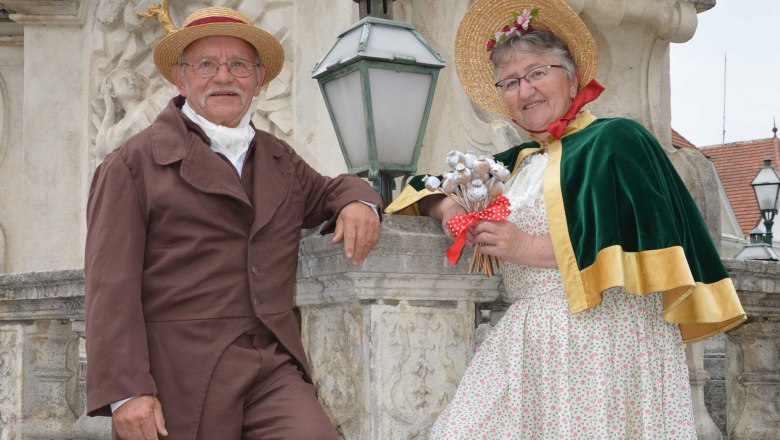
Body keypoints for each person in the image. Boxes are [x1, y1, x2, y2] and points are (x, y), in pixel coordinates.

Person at [385, 0, 746, 438]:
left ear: (572, 78)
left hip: (605, 344)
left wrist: (525, 247)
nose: (526, 91)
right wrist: (449, 206)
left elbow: (647, 241)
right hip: (528, 343)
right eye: (512, 81)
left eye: (538, 73)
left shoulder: (618, 139)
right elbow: (424, 184)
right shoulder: (517, 163)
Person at [85, 6, 382, 440]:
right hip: (178, 377)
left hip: (271, 367)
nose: (224, 77)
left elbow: (330, 191)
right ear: (180, 78)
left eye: (239, 64)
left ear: (258, 80)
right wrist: (126, 392)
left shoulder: (280, 159)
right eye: (206, 64)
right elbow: (109, 287)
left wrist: (360, 202)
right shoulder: (132, 163)